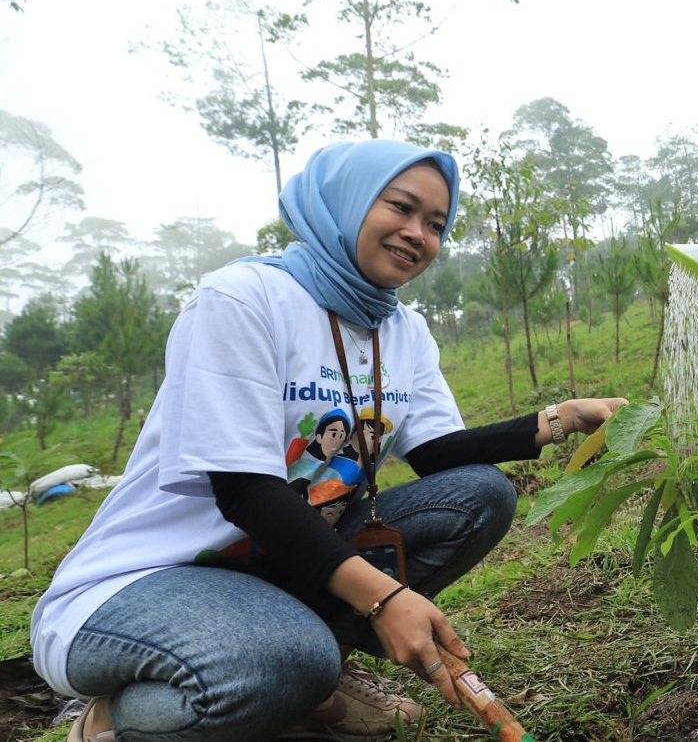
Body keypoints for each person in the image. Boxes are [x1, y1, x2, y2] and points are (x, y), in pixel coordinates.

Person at [31, 139, 628, 742]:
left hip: (277, 570)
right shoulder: (242, 299)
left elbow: (434, 453)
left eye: (436, 224)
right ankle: (114, 722)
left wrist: (557, 421)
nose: (417, 233)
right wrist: (385, 599)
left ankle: (312, 676)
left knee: (478, 495)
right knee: (287, 660)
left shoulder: (403, 329)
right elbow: (244, 491)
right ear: (343, 203)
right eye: (400, 207)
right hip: (146, 580)